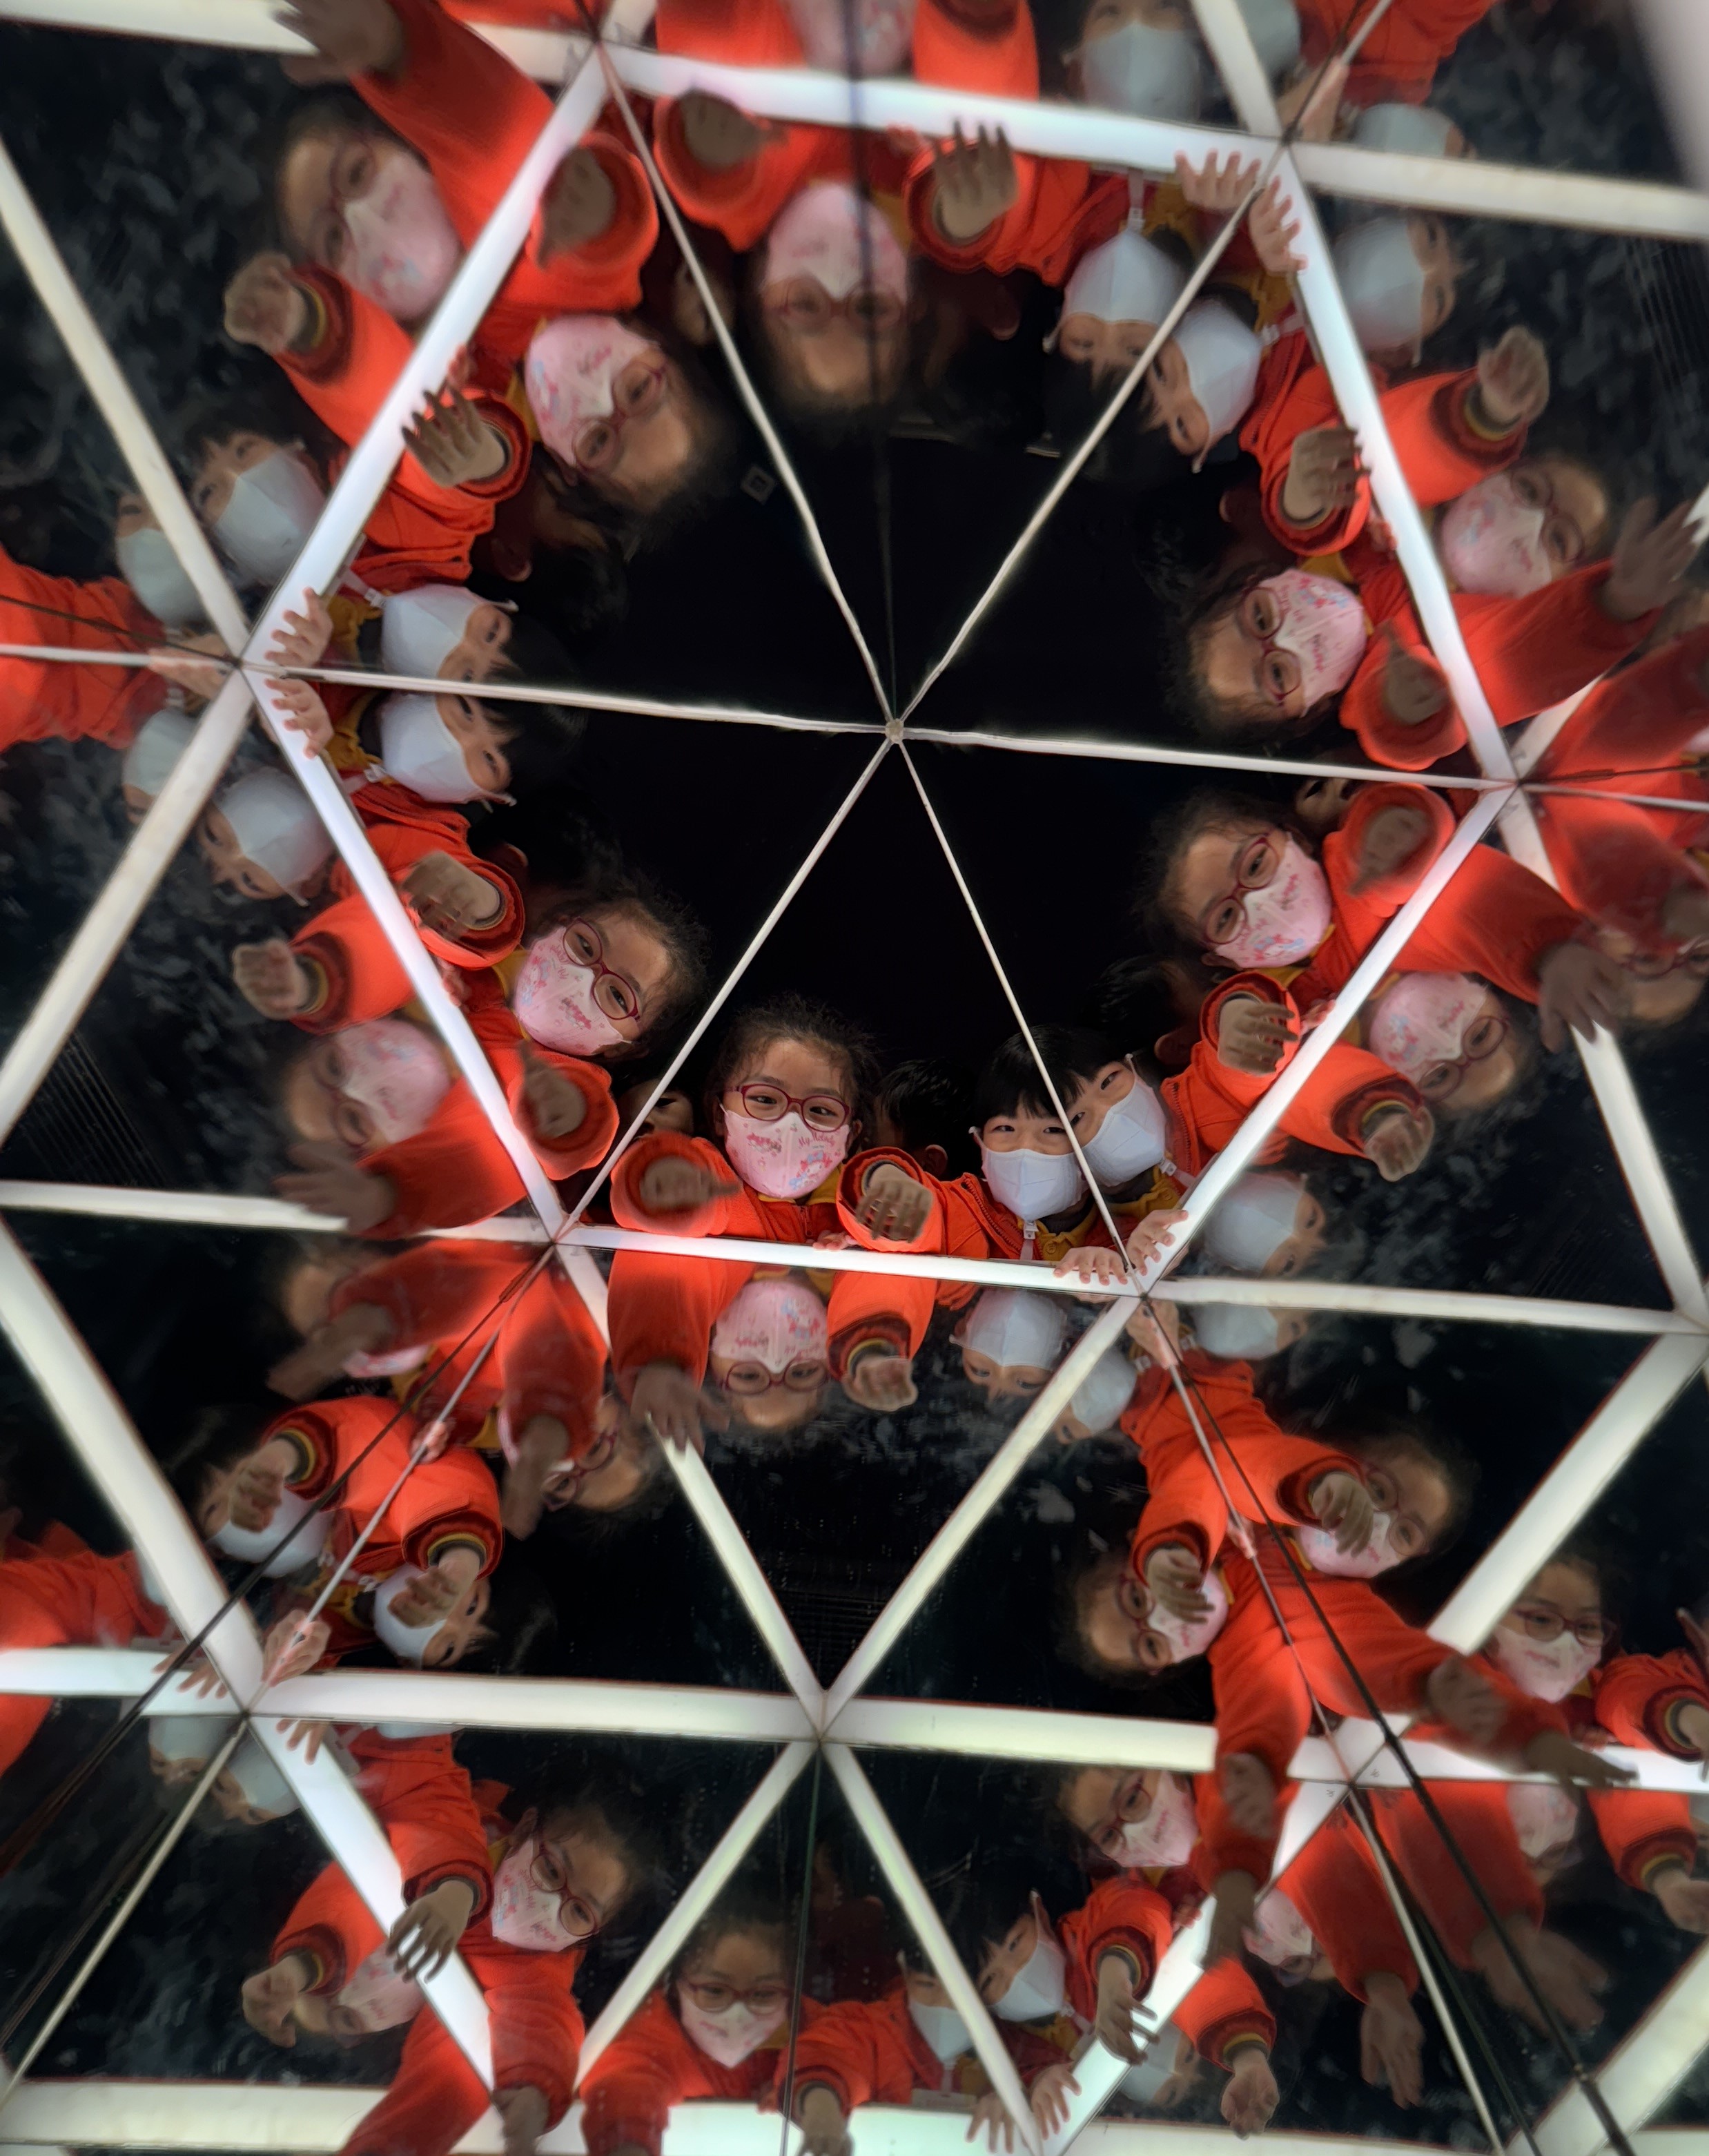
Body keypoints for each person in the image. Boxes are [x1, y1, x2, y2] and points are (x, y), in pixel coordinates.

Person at [249, 1756, 655, 2156]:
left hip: (379, 2044)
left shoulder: (536, 1960)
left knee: (473, 2049)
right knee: (388, 1877)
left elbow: (543, 2019)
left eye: (580, 1912)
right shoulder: (460, 1832)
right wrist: (301, 1965)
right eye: (551, 1871)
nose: (549, 1904)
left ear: (592, 1936)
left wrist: (534, 2089)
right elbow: (359, 1891)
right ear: (524, 1830)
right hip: (320, 2003)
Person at [1174, 491, 1698, 768]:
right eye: (1278, 673)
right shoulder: (1381, 691)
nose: (1289, 636)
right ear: (1306, 714)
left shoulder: (1349, 539)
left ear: (1261, 580)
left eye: (1260, 619)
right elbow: (1500, 663)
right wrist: (1609, 606)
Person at [272, 0, 658, 370]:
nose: (363, 219)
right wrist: (306, 328)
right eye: (333, 238)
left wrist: (396, 50)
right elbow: (366, 379)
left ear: (405, 144)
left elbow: (492, 140)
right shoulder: (426, 387)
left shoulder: (509, 239)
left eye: (356, 174)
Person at [1135, 783, 1630, 1058]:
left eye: (1256, 865)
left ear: (1296, 839)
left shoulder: (1357, 877)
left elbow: (1461, 896)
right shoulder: (1280, 997)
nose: (1259, 902)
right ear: (1219, 958)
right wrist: (1232, 1023)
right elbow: (1250, 1018)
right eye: (1226, 915)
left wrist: (1550, 951)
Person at [578, 1875, 814, 2156]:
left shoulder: (806, 2026)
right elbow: (625, 2081)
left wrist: (809, 2086)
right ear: (676, 1981)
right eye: (715, 1991)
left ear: (790, 1988)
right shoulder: (655, 2034)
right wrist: (629, 2143)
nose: (738, 2013)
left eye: (763, 1994)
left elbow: (847, 2045)